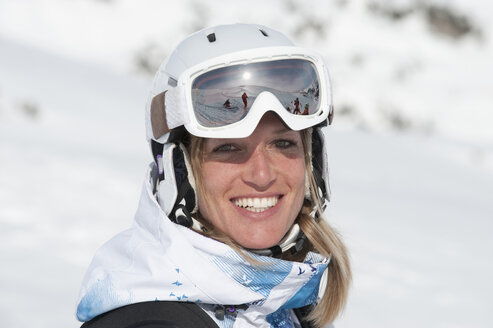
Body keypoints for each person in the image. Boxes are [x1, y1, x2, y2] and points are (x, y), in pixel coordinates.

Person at [76, 23, 350, 328]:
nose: (262, 175)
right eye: (229, 148)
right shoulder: (151, 321)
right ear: (181, 171)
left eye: (283, 143)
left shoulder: (283, 305)